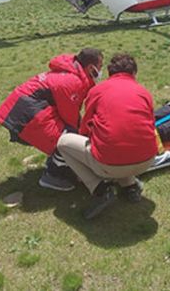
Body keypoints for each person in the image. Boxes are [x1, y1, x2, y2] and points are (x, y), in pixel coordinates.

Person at [58, 53, 159, 220]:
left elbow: (84, 128)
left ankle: (100, 189)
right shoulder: (144, 92)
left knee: (63, 143)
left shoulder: (97, 90)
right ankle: (130, 186)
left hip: (109, 164)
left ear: (110, 72)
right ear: (134, 73)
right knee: (125, 139)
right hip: (147, 161)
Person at [0, 48, 103, 191]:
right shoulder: (72, 81)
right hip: (28, 112)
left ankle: (60, 165)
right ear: (90, 67)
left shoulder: (71, 74)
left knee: (68, 133)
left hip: (27, 108)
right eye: (100, 67)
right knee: (67, 139)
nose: (101, 71)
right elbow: (69, 117)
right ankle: (52, 175)